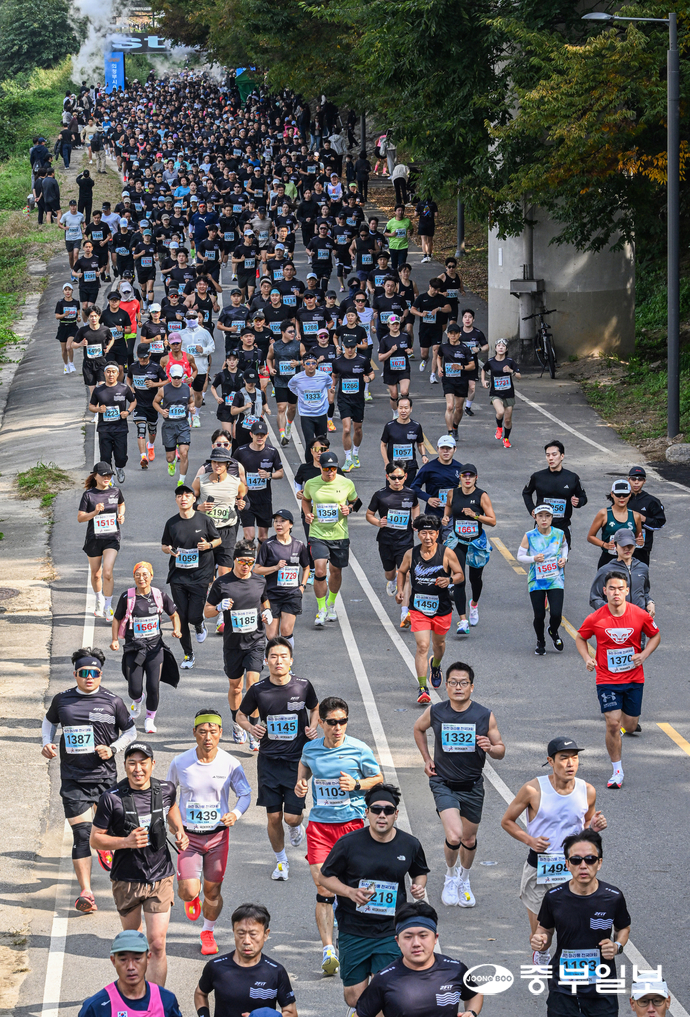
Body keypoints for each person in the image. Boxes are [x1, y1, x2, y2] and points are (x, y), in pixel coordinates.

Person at [42, 647, 136, 914]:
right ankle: (86, 892)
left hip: (105, 777)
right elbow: (49, 723)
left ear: (100, 674)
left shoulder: (113, 701)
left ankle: (105, 845)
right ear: (75, 674)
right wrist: (46, 744)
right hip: (73, 778)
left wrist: (114, 748)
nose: (89, 677)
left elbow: (130, 731)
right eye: (84, 673)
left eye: (94, 673)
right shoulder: (62, 701)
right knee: (82, 835)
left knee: (111, 831)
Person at [319, 784, 429, 1011]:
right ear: (366, 812)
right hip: (354, 929)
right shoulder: (349, 844)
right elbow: (324, 877)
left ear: (396, 814)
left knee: (387, 994)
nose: (382, 815)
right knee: (354, 998)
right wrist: (350, 892)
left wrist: (418, 886)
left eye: (388, 811)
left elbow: (419, 871)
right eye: (376, 809)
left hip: (390, 930)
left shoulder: (409, 844)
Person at [296, 696, 383, 976]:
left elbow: (378, 778)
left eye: (342, 722)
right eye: (332, 722)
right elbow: (304, 765)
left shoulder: (358, 749)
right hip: (321, 825)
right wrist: (301, 783)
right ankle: (328, 950)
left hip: (352, 825)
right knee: (322, 885)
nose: (337, 727)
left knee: (355, 883)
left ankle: (356, 932)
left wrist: (357, 783)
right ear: (320, 722)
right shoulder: (311, 749)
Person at [500, 736, 607, 961]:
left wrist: (594, 828)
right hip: (541, 866)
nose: (570, 764)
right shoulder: (533, 789)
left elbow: (586, 827)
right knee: (542, 934)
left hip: (575, 867)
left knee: (575, 927)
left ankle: (571, 974)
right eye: (564, 758)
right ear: (551, 761)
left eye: (575, 758)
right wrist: (529, 840)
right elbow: (507, 821)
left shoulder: (587, 790)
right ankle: (542, 955)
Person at [90, 741, 188, 986]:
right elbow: (95, 839)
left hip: (160, 876)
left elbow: (172, 808)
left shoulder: (166, 789)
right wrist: (126, 841)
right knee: (133, 943)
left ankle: (155, 1002)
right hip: (127, 878)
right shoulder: (110, 799)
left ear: (152, 764)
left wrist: (179, 830)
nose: (138, 769)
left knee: (157, 943)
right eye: (131, 763)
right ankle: (133, 997)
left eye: (143, 763)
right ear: (124, 766)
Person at [413, 661, 504, 908]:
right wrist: (427, 759)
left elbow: (500, 750)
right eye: (453, 682)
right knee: (454, 835)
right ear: (446, 685)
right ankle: (450, 876)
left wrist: (490, 748)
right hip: (443, 782)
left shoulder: (484, 715)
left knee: (470, 839)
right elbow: (418, 729)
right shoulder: (436, 711)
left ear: (472, 687)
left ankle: (464, 879)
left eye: (463, 683)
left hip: (473, 784)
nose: (458, 687)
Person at [167, 710, 251, 955]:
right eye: (202, 732)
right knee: (189, 890)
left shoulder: (230, 763)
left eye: (213, 732)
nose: (207, 737)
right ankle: (192, 897)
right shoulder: (180, 762)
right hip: (189, 837)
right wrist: (176, 828)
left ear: (220, 734)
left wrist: (235, 814)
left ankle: (208, 930)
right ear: (194, 733)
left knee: (213, 891)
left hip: (217, 836)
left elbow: (244, 794)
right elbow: (168, 798)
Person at [237, 637, 319, 879]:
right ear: (266, 661)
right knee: (273, 816)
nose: (278, 660)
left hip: (297, 762)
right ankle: (281, 862)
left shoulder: (303, 686)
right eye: (273, 656)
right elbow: (241, 715)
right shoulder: (258, 690)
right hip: (269, 761)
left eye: (283, 656)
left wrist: (313, 728)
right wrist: (251, 728)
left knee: (292, 817)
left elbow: (315, 708)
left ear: (291, 660)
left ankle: (295, 827)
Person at [531, 829, 631, 1017]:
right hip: (563, 987)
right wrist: (540, 940)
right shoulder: (554, 897)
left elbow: (623, 927)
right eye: (576, 860)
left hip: (602, 986)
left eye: (590, 859)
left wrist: (617, 946)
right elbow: (545, 929)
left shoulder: (613, 897)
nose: (583, 865)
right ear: (567, 864)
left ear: (599, 863)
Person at [576, 572, 660, 788]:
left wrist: (644, 654)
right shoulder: (596, 618)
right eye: (611, 588)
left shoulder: (639, 614)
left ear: (627, 591)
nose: (616, 592)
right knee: (613, 724)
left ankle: (625, 729)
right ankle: (617, 771)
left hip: (633, 678)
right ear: (605, 591)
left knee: (630, 725)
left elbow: (655, 635)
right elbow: (581, 637)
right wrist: (587, 658)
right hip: (606, 678)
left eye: (620, 588)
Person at [355, 901, 483, 1017]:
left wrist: (471, 1012)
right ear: (398, 941)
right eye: (408, 937)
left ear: (435, 938)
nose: (416, 943)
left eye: (423, 936)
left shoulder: (456, 970)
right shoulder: (384, 979)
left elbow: (475, 994)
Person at [204, 540, 272, 748]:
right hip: (233, 644)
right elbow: (206, 611)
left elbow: (264, 600)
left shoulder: (259, 581)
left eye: (250, 562)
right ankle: (237, 724)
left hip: (255, 641)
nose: (246, 566)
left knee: (253, 686)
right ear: (234, 560)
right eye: (242, 561)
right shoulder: (222, 583)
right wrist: (218, 607)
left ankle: (254, 729)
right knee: (236, 688)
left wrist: (267, 611)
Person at [395, 515, 463, 703]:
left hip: (441, 608)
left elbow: (460, 575)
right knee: (422, 645)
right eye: (423, 533)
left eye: (431, 533)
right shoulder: (411, 554)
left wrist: (449, 580)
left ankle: (436, 664)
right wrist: (400, 590)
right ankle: (423, 688)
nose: (427, 537)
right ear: (418, 534)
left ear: (437, 534)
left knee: (438, 645)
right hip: (419, 608)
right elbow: (401, 571)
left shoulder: (447, 553)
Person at [111, 561, 181, 734]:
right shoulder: (127, 597)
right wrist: (114, 639)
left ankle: (150, 718)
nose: (141, 578)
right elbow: (117, 619)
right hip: (134, 649)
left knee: (153, 687)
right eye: (137, 575)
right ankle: (137, 699)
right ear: (134, 577)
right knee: (134, 688)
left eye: (145, 575)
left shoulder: (159, 595)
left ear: (151, 576)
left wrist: (177, 629)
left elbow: (174, 614)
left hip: (155, 649)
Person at [194, 903, 297, 1017]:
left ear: (265, 934)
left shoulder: (276, 972)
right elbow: (200, 993)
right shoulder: (216, 967)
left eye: (253, 934)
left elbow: (291, 1012)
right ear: (234, 932)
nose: (246, 941)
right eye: (241, 933)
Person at [161, 485, 222, 669]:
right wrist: (169, 550)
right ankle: (188, 655)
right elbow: (164, 545)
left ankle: (199, 623)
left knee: (194, 615)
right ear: (176, 500)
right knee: (181, 616)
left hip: (201, 575)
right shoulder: (171, 523)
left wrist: (209, 546)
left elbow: (218, 539)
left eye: (187, 495)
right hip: (178, 576)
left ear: (194, 500)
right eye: (179, 496)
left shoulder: (204, 520)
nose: (183, 499)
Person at [303, 450, 359, 627]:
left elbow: (356, 501)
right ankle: (321, 610)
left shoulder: (346, 483)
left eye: (333, 468)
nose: (330, 472)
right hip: (318, 533)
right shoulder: (312, 484)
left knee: (336, 572)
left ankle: (331, 604)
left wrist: (349, 509)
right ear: (321, 467)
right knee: (320, 571)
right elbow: (306, 500)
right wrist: (307, 514)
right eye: (327, 468)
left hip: (339, 535)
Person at [77, 929, 183, 1017]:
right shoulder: (96, 1007)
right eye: (123, 960)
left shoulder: (166, 1000)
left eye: (137, 959)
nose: (130, 967)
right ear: (113, 961)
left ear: (148, 958)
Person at [443, 464, 496, 634]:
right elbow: (449, 507)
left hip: (476, 542)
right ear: (460, 477)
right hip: (458, 540)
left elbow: (492, 521)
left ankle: (474, 604)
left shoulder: (482, 496)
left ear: (476, 478)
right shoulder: (453, 493)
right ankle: (463, 620)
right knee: (459, 579)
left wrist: (475, 515)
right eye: (464, 475)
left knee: (475, 579)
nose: (467, 479)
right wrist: (445, 517)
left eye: (470, 476)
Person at [517, 504, 568, 655]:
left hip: (555, 578)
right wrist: (533, 558)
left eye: (547, 516)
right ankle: (541, 640)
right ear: (535, 517)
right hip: (536, 580)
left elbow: (565, 546)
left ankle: (553, 631)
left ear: (552, 518)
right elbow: (520, 556)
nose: (544, 519)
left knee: (556, 613)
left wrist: (564, 558)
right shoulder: (530, 535)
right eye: (541, 516)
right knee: (539, 614)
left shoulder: (559, 533)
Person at [366, 462, 420, 604]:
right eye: (393, 477)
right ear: (387, 477)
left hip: (405, 541)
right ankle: (392, 580)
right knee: (389, 573)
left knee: (407, 574)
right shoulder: (380, 495)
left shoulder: (411, 493)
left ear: (405, 476)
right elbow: (369, 514)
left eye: (400, 477)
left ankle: (405, 611)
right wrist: (377, 522)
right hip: (386, 541)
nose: (397, 481)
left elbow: (415, 506)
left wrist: (416, 520)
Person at [78, 461, 125, 621]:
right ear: (95, 476)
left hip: (112, 538)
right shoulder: (89, 495)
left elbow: (121, 503)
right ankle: (99, 600)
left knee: (107, 572)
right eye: (103, 475)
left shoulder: (115, 491)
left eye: (109, 475)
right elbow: (80, 518)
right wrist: (95, 512)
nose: (107, 477)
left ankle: (108, 606)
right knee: (96, 574)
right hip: (94, 540)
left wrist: (121, 514)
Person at [255, 510, 311, 642]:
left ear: (291, 524)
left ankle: (287, 661)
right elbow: (257, 569)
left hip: (292, 594)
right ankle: (269, 661)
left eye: (282, 521)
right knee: (272, 635)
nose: (278, 524)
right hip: (272, 594)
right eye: (276, 521)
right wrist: (275, 567)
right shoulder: (268, 545)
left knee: (286, 630)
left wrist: (302, 586)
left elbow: (306, 567)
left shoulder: (299, 545)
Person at [590, 529, 654, 641]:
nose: (627, 549)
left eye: (630, 545)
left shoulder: (643, 568)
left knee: (638, 657)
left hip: (638, 623)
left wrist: (650, 602)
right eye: (623, 545)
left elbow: (644, 592)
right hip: (615, 625)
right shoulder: (605, 570)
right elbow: (594, 598)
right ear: (615, 545)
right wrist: (610, 612)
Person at [192, 445, 246, 578]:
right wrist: (199, 507)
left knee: (224, 572)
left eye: (221, 462)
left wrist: (242, 504)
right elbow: (189, 504)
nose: (217, 465)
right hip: (206, 530)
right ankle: (210, 595)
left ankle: (223, 597)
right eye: (214, 462)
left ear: (228, 464)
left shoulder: (237, 483)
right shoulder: (200, 481)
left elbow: (245, 501)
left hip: (227, 531)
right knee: (207, 572)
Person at [522, 440, 588, 548]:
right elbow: (526, 493)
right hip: (542, 525)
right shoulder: (537, 477)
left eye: (554, 454)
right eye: (547, 455)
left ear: (562, 456)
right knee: (540, 559)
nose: (550, 458)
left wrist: (579, 502)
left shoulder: (572, 478)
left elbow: (583, 496)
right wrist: (531, 509)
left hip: (562, 526)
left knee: (561, 560)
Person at [233, 420, 283, 547]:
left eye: (262, 434)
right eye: (257, 434)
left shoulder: (272, 451)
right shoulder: (241, 451)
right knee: (249, 537)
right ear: (251, 435)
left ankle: (258, 564)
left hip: (264, 500)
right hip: (247, 500)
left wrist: (269, 475)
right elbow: (231, 471)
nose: (260, 437)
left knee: (263, 537)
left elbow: (280, 473)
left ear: (267, 435)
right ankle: (247, 561)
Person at [332, 335, 374, 471]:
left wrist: (369, 379)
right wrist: (332, 386)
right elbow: (335, 375)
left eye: (352, 347)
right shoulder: (337, 361)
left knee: (358, 429)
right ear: (343, 346)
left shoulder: (363, 360)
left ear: (356, 346)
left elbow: (371, 373)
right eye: (347, 347)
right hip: (344, 399)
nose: (349, 350)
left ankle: (355, 453)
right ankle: (348, 458)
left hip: (358, 400)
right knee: (346, 429)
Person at [89, 362, 136, 483]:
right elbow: (91, 406)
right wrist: (98, 409)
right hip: (104, 429)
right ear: (104, 373)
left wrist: (128, 411)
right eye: (108, 372)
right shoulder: (99, 390)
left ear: (118, 373)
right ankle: (110, 478)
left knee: (121, 457)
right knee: (105, 457)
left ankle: (119, 468)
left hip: (120, 428)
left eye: (113, 372)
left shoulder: (124, 388)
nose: (111, 374)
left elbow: (133, 401)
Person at [587, 480, 645, 570]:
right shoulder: (604, 513)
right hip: (608, 559)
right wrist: (605, 545)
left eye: (625, 495)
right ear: (612, 494)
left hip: (628, 560)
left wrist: (640, 542)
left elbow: (639, 539)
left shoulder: (635, 516)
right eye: (618, 495)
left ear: (630, 494)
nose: (621, 498)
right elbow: (590, 536)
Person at [153, 363, 195, 484]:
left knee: (184, 453)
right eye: (174, 377)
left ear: (182, 376)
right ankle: (171, 464)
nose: (176, 380)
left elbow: (191, 402)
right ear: (170, 375)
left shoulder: (187, 389)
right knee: (170, 457)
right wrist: (161, 411)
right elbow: (155, 402)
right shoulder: (164, 389)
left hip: (183, 424)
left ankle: (181, 480)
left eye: (179, 377)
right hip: (169, 426)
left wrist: (191, 408)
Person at [127, 344, 167, 469]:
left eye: (144, 358)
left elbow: (167, 381)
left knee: (152, 430)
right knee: (141, 429)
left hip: (153, 404)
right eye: (140, 358)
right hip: (139, 404)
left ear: (149, 355)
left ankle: (150, 445)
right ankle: (143, 457)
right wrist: (130, 387)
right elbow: (128, 379)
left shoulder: (156, 367)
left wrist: (154, 384)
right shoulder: (133, 366)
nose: (142, 361)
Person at [410, 434, 463, 522]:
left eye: (449, 448)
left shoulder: (460, 468)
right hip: (433, 514)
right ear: (437, 449)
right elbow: (414, 487)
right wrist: (428, 498)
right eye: (442, 448)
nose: (445, 451)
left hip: (452, 515)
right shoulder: (428, 468)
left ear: (455, 449)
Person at [437, 323, 476, 437]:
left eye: (455, 334)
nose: (453, 336)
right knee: (450, 406)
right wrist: (439, 367)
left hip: (461, 380)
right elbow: (439, 357)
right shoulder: (443, 347)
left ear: (459, 334)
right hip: (448, 380)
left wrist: (461, 367)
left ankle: (455, 427)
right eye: (451, 334)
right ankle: (449, 433)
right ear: (448, 334)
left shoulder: (464, 348)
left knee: (459, 408)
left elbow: (472, 365)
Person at [288, 351, 334, 446]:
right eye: (308, 363)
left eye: (313, 363)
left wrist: (330, 392)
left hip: (321, 413)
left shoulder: (324, 376)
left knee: (322, 443)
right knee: (309, 443)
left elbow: (330, 384)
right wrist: (299, 394)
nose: (311, 366)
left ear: (317, 364)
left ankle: (321, 461)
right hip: (306, 414)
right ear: (303, 365)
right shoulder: (297, 378)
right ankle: (309, 461)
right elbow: (291, 386)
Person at [481, 338, 520, 447]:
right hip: (496, 393)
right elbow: (483, 369)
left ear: (506, 349)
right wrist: (483, 380)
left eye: (503, 346)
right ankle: (499, 428)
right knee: (500, 412)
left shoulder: (510, 361)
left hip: (508, 393)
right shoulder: (491, 361)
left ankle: (506, 439)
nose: (501, 347)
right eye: (499, 345)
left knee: (507, 420)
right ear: (496, 348)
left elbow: (519, 376)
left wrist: (511, 371)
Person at [267, 321, 302, 445]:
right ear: (283, 332)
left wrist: (298, 363)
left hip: (294, 382)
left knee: (292, 408)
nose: (293, 333)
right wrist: (271, 369)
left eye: (294, 331)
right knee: (281, 408)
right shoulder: (274, 346)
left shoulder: (298, 345)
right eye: (290, 331)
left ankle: (289, 425)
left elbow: (306, 359)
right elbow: (269, 358)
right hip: (280, 381)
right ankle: (282, 434)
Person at [379, 396, 427, 484]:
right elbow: (383, 445)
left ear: (411, 409)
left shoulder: (416, 426)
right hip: (394, 466)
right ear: (397, 409)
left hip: (410, 467)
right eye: (400, 408)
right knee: (392, 493)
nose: (403, 411)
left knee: (409, 493)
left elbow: (420, 444)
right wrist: (386, 462)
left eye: (406, 408)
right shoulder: (390, 426)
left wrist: (423, 455)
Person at [410, 278, 451, 376]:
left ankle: (433, 374)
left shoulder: (441, 298)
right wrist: (420, 314)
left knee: (436, 350)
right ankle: (425, 360)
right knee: (423, 354)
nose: (436, 292)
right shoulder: (422, 297)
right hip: (424, 329)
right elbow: (412, 309)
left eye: (438, 290)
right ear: (430, 287)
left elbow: (449, 308)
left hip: (437, 328)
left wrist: (439, 309)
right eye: (434, 289)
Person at [627, 465, 666, 566]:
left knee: (641, 576)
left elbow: (659, 523)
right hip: (622, 546)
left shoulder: (652, 501)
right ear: (628, 480)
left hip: (642, 548)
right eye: (633, 479)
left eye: (640, 479)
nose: (636, 482)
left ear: (644, 481)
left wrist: (643, 519)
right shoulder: (622, 498)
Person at [55, 281, 80, 373]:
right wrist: (64, 315)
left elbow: (77, 313)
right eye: (65, 290)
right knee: (64, 350)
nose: (67, 292)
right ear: (63, 291)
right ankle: (65, 365)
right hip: (63, 327)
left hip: (72, 327)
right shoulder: (60, 303)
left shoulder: (76, 302)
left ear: (72, 291)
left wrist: (78, 318)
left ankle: (71, 363)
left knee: (69, 347)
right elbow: (57, 316)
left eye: (69, 289)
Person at [383, 205, 412, 272]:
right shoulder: (391, 222)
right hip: (393, 246)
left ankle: (402, 280)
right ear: (395, 212)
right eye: (398, 210)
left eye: (402, 210)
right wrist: (392, 234)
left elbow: (411, 229)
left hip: (403, 246)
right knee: (394, 265)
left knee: (402, 265)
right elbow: (384, 233)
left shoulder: (407, 221)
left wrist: (410, 233)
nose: (400, 212)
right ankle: (395, 279)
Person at [414, 197, 439, 262]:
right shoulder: (433, 204)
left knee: (423, 240)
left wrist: (421, 213)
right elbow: (436, 214)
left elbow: (415, 214)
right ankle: (429, 255)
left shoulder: (420, 203)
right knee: (430, 240)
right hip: (430, 223)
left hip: (422, 223)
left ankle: (425, 255)